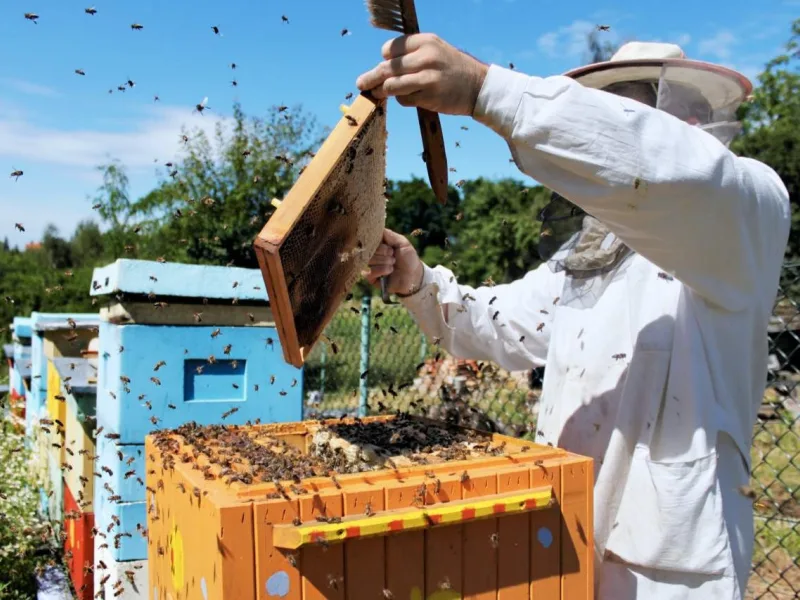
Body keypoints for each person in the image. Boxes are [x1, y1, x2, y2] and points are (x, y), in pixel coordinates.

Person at [358, 36, 791, 599]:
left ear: (687, 117)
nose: (615, 124)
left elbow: (664, 169)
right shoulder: (587, 258)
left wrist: (487, 90)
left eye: (633, 105)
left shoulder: (749, 207)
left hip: (671, 569)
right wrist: (417, 281)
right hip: (564, 534)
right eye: (613, 104)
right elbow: (498, 324)